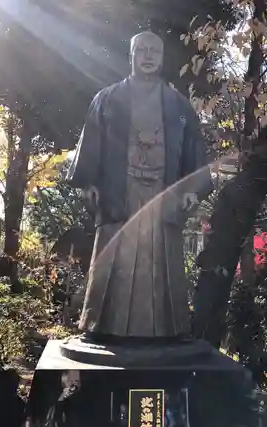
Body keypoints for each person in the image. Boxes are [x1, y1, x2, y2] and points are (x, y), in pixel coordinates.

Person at [67, 31, 212, 341]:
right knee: (113, 256)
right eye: (142, 50)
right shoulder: (107, 99)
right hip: (120, 190)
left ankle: (168, 330)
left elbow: (192, 151)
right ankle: (101, 328)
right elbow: (92, 142)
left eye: (155, 51)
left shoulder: (179, 106)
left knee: (162, 261)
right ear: (131, 55)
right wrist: (88, 182)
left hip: (163, 192)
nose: (148, 56)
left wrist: (191, 189)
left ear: (162, 58)